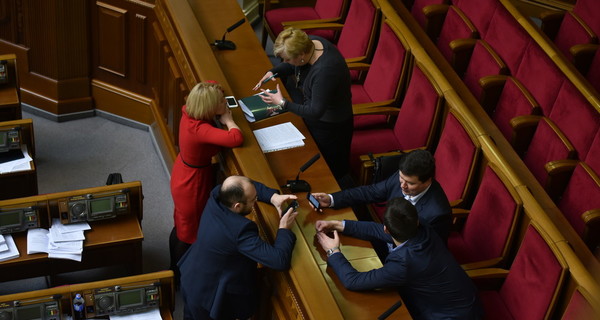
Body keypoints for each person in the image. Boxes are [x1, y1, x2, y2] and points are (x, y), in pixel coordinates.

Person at [315, 197, 483, 320]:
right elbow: (378, 230)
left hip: (448, 315)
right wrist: (338, 224)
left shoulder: (406, 262)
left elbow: (354, 281)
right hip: (463, 300)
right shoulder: (421, 227)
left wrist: (333, 251)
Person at [178, 175, 298, 320]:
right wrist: (284, 228)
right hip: (208, 298)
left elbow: (248, 186)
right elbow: (279, 260)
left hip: (191, 276)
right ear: (237, 206)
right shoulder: (239, 230)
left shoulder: (217, 195)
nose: (256, 201)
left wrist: (272, 197)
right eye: (253, 200)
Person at [253, 27, 353, 185]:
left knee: (329, 170)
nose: (284, 62)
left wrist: (282, 103)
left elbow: (315, 111)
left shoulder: (325, 71)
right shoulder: (308, 43)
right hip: (314, 111)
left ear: (301, 55)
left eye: (287, 59)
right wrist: (274, 72)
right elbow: (293, 65)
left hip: (330, 127)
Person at [169, 82, 244, 284]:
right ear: (210, 107)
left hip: (183, 173)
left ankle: (173, 270)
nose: (224, 103)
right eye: (221, 101)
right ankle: (178, 277)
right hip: (193, 184)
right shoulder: (200, 129)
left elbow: (208, 85)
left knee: (181, 225)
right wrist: (228, 119)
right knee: (187, 232)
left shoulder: (189, 112)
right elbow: (236, 138)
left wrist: (214, 88)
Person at [310, 149, 452, 244]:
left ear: (427, 181)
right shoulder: (402, 177)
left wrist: (341, 225)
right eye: (401, 178)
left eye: (410, 183)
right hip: (384, 237)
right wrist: (331, 199)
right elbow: (370, 192)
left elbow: (403, 240)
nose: (402, 185)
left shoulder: (437, 214)